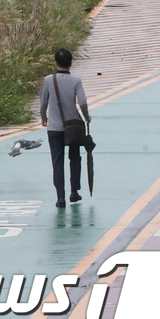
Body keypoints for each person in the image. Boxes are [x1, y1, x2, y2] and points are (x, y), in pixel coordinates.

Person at [40, 48, 90, 208]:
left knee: (57, 162)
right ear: (71, 63)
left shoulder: (48, 80)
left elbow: (43, 103)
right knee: (75, 158)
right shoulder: (76, 80)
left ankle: (60, 197)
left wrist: (43, 118)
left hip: (54, 128)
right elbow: (82, 102)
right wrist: (87, 116)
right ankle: (74, 192)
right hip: (73, 127)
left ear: (56, 62)